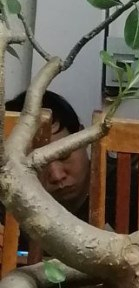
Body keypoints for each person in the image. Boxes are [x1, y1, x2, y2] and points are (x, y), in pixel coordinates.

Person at [4, 90, 90, 218]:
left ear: (84, 139)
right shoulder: (7, 205)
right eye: (36, 165)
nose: (57, 176)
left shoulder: (120, 183)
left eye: (64, 155)